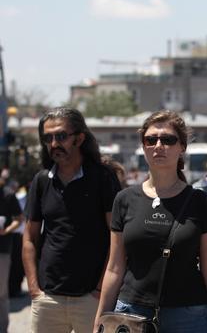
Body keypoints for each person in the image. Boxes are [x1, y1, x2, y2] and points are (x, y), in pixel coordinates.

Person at [94, 110, 207, 333]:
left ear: (182, 147)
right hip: (131, 312)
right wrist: (100, 320)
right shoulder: (124, 199)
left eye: (168, 140)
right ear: (143, 145)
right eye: (151, 139)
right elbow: (115, 268)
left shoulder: (199, 202)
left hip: (188, 315)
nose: (158, 145)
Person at [23, 107, 121, 333]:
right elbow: (29, 237)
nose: (54, 144)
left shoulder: (102, 178)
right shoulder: (41, 181)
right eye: (48, 138)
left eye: (61, 136)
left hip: (91, 298)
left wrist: (99, 290)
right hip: (48, 298)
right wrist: (34, 289)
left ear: (79, 138)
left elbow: (116, 236)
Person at [0, 178, 23, 333]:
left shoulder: (8, 195)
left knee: (1, 293)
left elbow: (19, 219)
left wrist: (6, 231)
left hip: (2, 249)